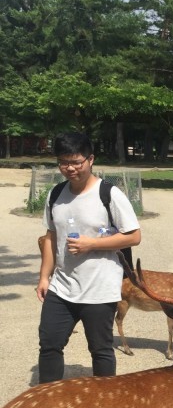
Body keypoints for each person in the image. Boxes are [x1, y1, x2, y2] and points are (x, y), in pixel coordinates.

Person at [36, 132, 142, 382]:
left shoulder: (109, 194)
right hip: (62, 286)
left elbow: (134, 236)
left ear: (90, 159)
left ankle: (105, 403)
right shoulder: (55, 194)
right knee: (49, 345)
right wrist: (44, 277)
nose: (69, 168)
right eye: (63, 162)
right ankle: (48, 400)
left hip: (99, 287)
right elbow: (51, 236)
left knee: (100, 349)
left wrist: (91, 244)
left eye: (76, 162)